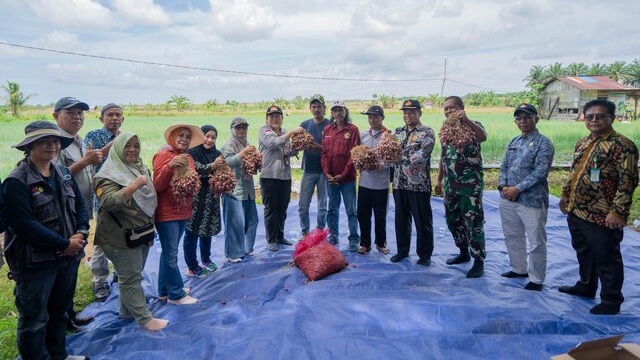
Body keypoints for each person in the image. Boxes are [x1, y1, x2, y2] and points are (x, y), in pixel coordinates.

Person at [3, 120, 89, 360]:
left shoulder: (62, 172)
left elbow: (80, 205)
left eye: (54, 141)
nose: (51, 146)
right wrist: (64, 244)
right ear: (29, 146)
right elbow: (25, 225)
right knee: (34, 320)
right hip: (35, 264)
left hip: (67, 259)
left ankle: (59, 355)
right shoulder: (16, 182)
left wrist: (81, 233)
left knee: (59, 312)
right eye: (44, 141)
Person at [558, 99, 639, 315]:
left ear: (611, 118)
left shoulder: (623, 146)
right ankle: (586, 285)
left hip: (603, 214)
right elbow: (575, 172)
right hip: (578, 209)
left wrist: (617, 212)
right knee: (583, 251)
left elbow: (628, 180)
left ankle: (611, 300)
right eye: (590, 116)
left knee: (607, 257)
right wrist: (565, 195)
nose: (594, 120)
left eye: (600, 116)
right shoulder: (583, 143)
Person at [94, 132, 169, 331]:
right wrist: (133, 186)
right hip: (118, 237)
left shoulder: (140, 168)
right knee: (130, 278)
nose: (132, 150)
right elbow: (108, 202)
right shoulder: (106, 175)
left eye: (136, 145)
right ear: (117, 148)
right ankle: (144, 319)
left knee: (131, 274)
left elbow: (150, 200)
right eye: (127, 146)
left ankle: (126, 311)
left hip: (140, 234)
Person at [52, 97, 100, 329]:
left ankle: (68, 313)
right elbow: (53, 177)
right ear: (56, 116)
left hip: (80, 210)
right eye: (70, 112)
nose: (77, 116)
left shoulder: (78, 140)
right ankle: (59, 319)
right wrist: (85, 162)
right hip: (61, 213)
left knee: (73, 264)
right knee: (65, 264)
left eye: (80, 113)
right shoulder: (54, 142)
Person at [498, 103, 555, 291]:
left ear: (536, 119)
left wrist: (517, 189)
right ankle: (518, 268)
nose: (522, 121)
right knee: (512, 236)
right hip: (508, 198)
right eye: (519, 118)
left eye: (527, 117)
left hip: (531, 200)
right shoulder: (514, 141)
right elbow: (504, 165)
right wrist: (504, 186)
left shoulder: (543, 143)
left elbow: (540, 172)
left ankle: (536, 279)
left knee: (536, 241)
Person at [434, 96, 487, 278]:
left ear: (462, 108)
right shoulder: (446, 130)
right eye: (446, 108)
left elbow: (483, 137)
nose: (449, 111)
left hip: (470, 186)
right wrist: (440, 180)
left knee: (473, 222)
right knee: (453, 220)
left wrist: (467, 121)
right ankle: (463, 252)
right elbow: (443, 157)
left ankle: (478, 259)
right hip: (451, 185)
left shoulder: (474, 125)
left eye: (452, 108)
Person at [153, 123, 204, 305]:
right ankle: (176, 294)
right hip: (167, 212)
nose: (184, 139)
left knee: (168, 252)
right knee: (171, 254)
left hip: (183, 210)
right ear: (172, 138)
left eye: (187, 137)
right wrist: (170, 166)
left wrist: (193, 185)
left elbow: (194, 182)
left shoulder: (188, 158)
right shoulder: (163, 155)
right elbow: (158, 185)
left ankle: (164, 290)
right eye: (181, 136)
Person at [83, 103, 124, 302]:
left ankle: (118, 272)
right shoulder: (93, 136)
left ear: (123, 119)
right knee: (102, 241)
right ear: (101, 119)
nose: (114, 118)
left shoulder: (125, 136)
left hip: (123, 196)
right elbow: (93, 160)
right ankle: (99, 280)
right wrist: (116, 142)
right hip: (102, 198)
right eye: (110, 115)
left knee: (122, 236)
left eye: (118, 115)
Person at [390, 99, 435, 266]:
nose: (407, 115)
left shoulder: (426, 132)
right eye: (405, 112)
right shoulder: (397, 132)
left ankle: (424, 255)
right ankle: (402, 250)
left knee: (422, 220)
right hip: (398, 182)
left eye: (411, 112)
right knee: (401, 219)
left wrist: (398, 158)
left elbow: (422, 156)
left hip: (418, 184)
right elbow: (388, 151)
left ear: (419, 113)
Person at [259, 105, 303, 252]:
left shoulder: (284, 132)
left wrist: (297, 148)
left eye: (278, 116)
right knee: (271, 209)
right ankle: (271, 240)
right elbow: (273, 144)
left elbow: (287, 152)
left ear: (282, 118)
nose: (275, 118)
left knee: (282, 208)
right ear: (267, 118)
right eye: (271, 116)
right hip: (270, 176)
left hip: (285, 176)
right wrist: (291, 133)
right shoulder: (264, 131)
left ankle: (279, 236)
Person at [321, 101, 361, 251]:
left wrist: (343, 174)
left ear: (346, 112)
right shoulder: (327, 130)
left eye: (340, 110)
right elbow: (324, 153)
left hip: (347, 179)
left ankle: (354, 239)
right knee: (332, 209)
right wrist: (327, 173)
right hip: (331, 179)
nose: (337, 113)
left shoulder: (353, 130)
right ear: (331, 113)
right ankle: (333, 236)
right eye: (334, 111)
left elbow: (354, 154)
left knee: (351, 210)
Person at [184, 125, 224, 275]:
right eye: (207, 136)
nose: (210, 140)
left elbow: (223, 173)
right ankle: (192, 266)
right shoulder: (192, 152)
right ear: (201, 136)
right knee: (192, 232)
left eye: (213, 137)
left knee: (207, 229)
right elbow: (195, 168)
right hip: (195, 198)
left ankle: (206, 259)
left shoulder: (218, 154)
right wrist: (212, 166)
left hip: (211, 198)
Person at [221, 117, 259, 261]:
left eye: (244, 127)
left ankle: (247, 249)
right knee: (235, 223)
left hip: (248, 189)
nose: (241, 130)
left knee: (252, 220)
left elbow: (252, 166)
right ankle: (233, 254)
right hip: (234, 190)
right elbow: (228, 163)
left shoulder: (247, 144)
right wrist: (244, 154)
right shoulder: (228, 146)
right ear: (232, 130)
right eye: (238, 128)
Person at [356, 105, 391, 255]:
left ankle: (381, 243)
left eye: (376, 117)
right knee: (363, 214)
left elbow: (392, 160)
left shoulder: (389, 135)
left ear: (382, 118)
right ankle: (365, 243)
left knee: (380, 215)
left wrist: (377, 165)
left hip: (381, 184)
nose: (372, 119)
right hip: (364, 183)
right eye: (370, 117)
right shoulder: (363, 135)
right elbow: (357, 154)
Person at [298, 94, 330, 239]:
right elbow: (297, 143)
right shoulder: (304, 125)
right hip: (308, 170)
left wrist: (318, 148)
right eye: (314, 107)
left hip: (325, 171)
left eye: (319, 106)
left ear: (324, 108)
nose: (316, 109)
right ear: (310, 108)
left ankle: (319, 231)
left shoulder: (330, 125)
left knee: (323, 206)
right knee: (303, 205)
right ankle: (305, 231)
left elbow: (334, 148)